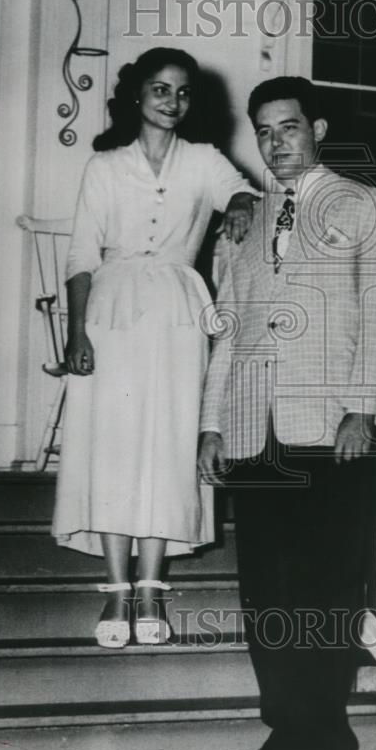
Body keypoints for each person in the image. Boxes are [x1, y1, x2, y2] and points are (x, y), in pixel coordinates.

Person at [198, 76, 376, 750]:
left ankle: (324, 736)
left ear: (316, 129)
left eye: (287, 126)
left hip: (329, 429)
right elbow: (227, 333)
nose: (274, 141)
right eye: (262, 130)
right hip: (252, 429)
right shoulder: (243, 223)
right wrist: (210, 425)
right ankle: (287, 730)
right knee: (267, 592)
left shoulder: (369, 204)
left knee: (321, 590)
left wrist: (365, 410)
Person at [53, 47, 258, 649]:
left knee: (167, 445)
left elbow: (241, 193)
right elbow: (80, 256)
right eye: (160, 89)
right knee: (113, 448)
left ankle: (151, 589)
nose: (172, 101)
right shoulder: (105, 166)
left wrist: (243, 205)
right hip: (111, 309)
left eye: (184, 92)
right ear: (136, 95)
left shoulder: (203, 159)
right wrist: (76, 331)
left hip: (177, 311)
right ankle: (117, 592)